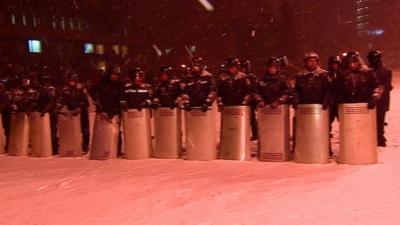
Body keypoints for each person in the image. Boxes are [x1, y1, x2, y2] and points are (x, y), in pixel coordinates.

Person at [57, 72, 90, 152]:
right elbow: (61, 100)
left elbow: (86, 101)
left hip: (81, 111)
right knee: (70, 129)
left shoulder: (81, 88)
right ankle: (70, 144)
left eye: (73, 80)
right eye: (70, 80)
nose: (72, 82)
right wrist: (59, 107)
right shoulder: (65, 90)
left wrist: (80, 107)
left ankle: (85, 145)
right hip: (71, 111)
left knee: (85, 128)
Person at [367, 50, 393, 147]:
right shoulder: (383, 71)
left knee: (379, 120)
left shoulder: (384, 71)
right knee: (376, 120)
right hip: (376, 99)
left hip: (380, 100)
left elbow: (386, 86)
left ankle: (380, 138)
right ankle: (378, 138)